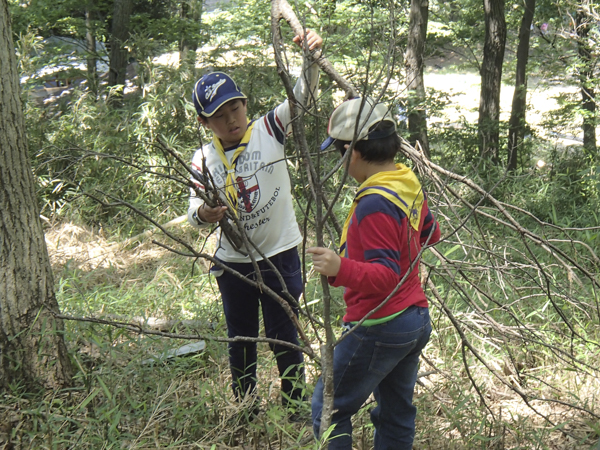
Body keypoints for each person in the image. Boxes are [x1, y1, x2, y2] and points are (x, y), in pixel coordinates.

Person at [186, 30, 323, 414]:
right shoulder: (202, 160)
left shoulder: (268, 129)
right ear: (204, 122)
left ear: (246, 105)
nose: (232, 120)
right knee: (240, 337)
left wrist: (310, 59)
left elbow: (302, 98)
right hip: (234, 264)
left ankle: (295, 407)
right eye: (220, 116)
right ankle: (245, 407)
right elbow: (192, 210)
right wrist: (204, 213)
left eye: (236, 109)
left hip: (279, 253)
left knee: (284, 335)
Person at [308, 97, 441, 449]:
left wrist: (340, 267)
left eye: (339, 153)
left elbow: (385, 277)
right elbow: (431, 232)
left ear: (352, 152)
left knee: (329, 407)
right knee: (396, 413)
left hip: (380, 324)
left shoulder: (374, 203)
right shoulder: (404, 179)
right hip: (415, 320)